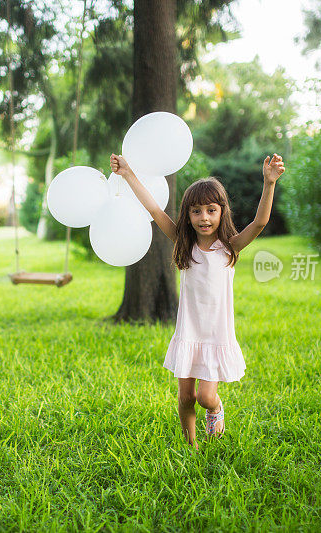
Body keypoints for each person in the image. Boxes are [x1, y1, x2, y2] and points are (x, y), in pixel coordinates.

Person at [110, 152, 285, 449]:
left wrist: (269, 183)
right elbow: (154, 208)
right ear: (187, 215)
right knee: (186, 398)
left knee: (205, 398)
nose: (204, 217)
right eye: (196, 211)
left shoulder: (229, 248)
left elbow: (259, 223)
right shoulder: (183, 243)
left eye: (211, 210)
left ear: (221, 212)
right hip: (189, 334)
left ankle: (216, 410)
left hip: (216, 336)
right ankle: (192, 446)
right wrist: (127, 174)